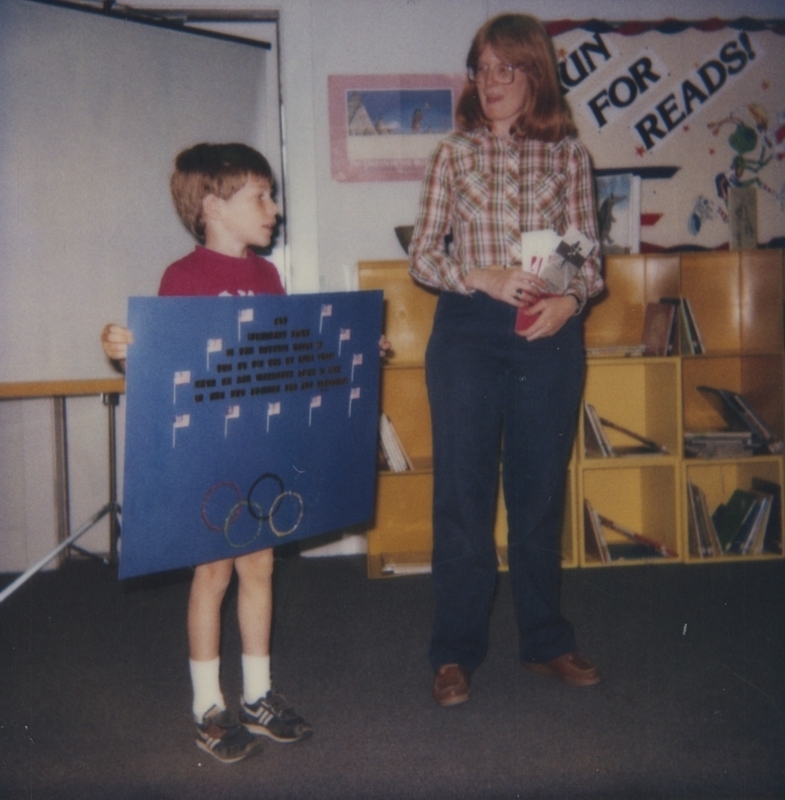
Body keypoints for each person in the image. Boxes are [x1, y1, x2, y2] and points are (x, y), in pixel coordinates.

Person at [408, 14, 604, 707]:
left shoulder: (570, 158)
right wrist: (482, 276)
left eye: (505, 68)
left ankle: (545, 641)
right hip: (466, 327)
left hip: (546, 329)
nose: (489, 82)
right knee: (462, 495)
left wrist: (569, 301)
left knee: (538, 492)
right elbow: (424, 254)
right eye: (481, 68)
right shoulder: (451, 155)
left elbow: (585, 256)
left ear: (534, 75)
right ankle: (454, 652)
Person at [102, 143, 312, 763]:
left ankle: (258, 693)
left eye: (272, 195)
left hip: (256, 447)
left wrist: (344, 348)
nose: (274, 209)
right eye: (261, 196)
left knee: (259, 568)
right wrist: (122, 347)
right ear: (215, 206)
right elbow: (167, 361)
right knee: (212, 574)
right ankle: (207, 706)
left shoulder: (269, 277)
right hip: (206, 452)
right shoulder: (182, 278)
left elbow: (287, 357)